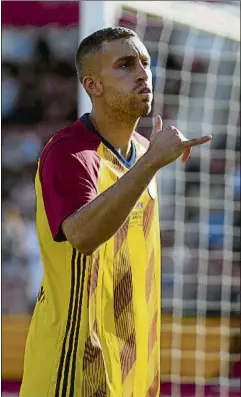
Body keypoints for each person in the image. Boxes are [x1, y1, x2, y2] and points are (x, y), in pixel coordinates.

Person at [19, 27, 212, 397]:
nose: (142, 72)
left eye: (145, 62)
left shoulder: (144, 152)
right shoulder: (70, 153)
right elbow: (84, 237)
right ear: (92, 85)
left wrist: (150, 161)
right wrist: (151, 163)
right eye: (125, 65)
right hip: (73, 368)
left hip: (134, 372)